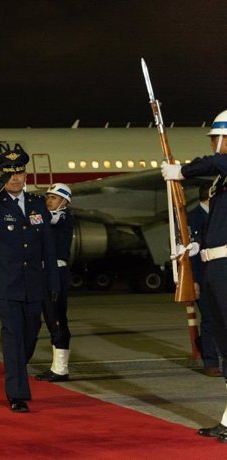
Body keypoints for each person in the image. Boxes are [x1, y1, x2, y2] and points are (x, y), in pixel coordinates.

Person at [0, 147, 58, 413]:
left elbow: (48, 246)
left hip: (33, 282)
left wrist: (53, 282)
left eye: (19, 172)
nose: (15, 178)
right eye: (9, 174)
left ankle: (18, 367)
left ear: (25, 174)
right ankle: (16, 394)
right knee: (13, 335)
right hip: (5, 283)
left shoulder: (36, 204)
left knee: (31, 333)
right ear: (1, 177)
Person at [161, 109, 227, 442]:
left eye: (218, 137)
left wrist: (181, 171)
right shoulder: (221, 180)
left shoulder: (222, 167)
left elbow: (215, 163)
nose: (215, 144)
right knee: (223, 339)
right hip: (215, 264)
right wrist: (196, 245)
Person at [36, 183, 74, 382]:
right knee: (50, 317)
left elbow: (48, 219)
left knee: (57, 317)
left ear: (64, 202)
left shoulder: (64, 216)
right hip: (45, 272)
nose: (48, 201)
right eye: (47, 197)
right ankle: (57, 366)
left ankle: (61, 368)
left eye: (54, 198)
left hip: (56, 273)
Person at [187, 182, 222, 377]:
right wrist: (193, 280)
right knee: (209, 319)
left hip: (218, 273)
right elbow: (190, 254)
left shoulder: (218, 216)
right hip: (202, 276)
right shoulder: (193, 218)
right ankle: (210, 361)